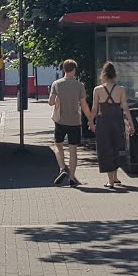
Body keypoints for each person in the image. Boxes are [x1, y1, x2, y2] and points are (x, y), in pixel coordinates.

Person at [88, 61, 135, 188]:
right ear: (115, 75)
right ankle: (115, 177)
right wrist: (131, 124)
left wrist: (91, 122)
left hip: (103, 122)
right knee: (117, 148)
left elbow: (94, 109)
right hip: (117, 121)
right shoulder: (120, 89)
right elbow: (125, 108)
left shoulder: (97, 90)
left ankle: (110, 180)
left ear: (103, 75)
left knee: (105, 149)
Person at [49, 59, 92, 187]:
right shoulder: (80, 85)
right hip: (74, 121)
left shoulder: (56, 84)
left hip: (60, 120)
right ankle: (72, 178)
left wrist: (56, 99)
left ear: (63, 69)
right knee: (73, 150)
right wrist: (90, 120)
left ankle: (62, 168)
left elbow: (51, 102)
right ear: (74, 70)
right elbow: (84, 105)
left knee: (58, 145)